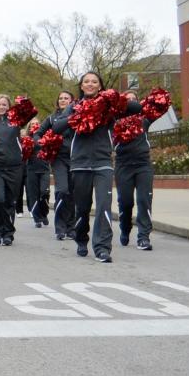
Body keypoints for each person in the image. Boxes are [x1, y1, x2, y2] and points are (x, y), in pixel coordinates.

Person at [51, 73, 141, 263]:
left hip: (103, 163)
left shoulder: (108, 105)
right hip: (80, 164)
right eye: (86, 82)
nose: (90, 84)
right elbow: (57, 128)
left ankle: (102, 247)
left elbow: (136, 108)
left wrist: (114, 99)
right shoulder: (73, 106)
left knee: (103, 206)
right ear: (81, 86)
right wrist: (78, 115)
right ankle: (81, 239)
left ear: (100, 86)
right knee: (82, 208)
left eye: (94, 81)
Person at [115, 92, 156, 251]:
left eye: (134, 99)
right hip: (123, 165)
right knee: (125, 202)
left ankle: (143, 237)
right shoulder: (114, 120)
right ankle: (125, 228)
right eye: (127, 100)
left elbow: (160, 107)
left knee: (144, 199)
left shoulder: (145, 119)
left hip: (143, 165)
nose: (131, 103)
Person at [0, 94, 25, 247]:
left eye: (5, 105)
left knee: (9, 201)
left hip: (14, 167)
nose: (2, 107)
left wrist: (22, 102)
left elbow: (30, 112)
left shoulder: (16, 122)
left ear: (9, 106)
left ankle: (8, 233)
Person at [42, 91, 75, 242]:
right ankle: (60, 227)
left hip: (76, 159)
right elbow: (38, 134)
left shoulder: (79, 115)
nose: (63, 100)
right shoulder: (51, 118)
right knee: (62, 190)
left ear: (72, 101)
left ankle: (71, 227)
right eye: (60, 98)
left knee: (73, 193)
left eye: (66, 98)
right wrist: (44, 143)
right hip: (59, 159)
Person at [24, 118, 51, 228]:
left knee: (44, 192)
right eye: (32, 124)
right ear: (29, 127)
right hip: (31, 170)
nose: (35, 125)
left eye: (37, 124)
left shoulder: (46, 136)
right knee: (33, 195)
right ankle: (37, 219)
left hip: (44, 169)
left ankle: (44, 214)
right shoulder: (27, 138)